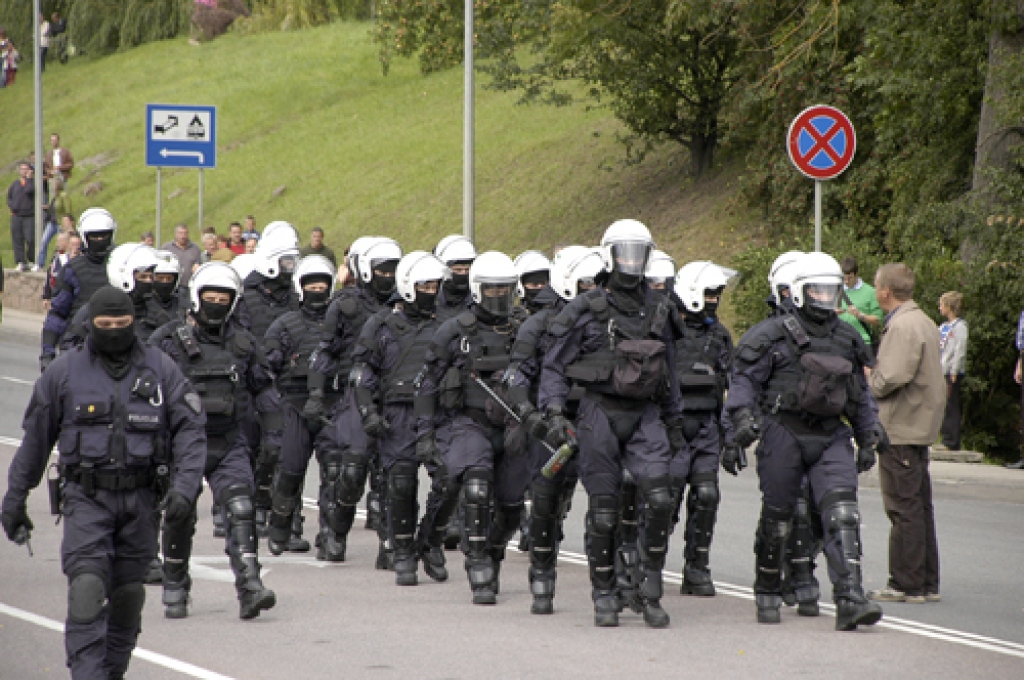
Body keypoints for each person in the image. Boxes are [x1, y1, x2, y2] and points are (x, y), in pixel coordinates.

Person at [1, 285, 207, 680]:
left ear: (133, 322)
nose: (114, 331)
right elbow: (35, 442)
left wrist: (184, 488)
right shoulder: (64, 373)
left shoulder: (161, 368)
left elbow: (191, 431)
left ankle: (111, 672)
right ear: (90, 324)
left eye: (122, 324)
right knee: (86, 591)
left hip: (141, 503)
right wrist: (15, 498)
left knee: (128, 598)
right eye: (105, 324)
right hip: (86, 501)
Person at [724, 251, 884, 630]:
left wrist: (869, 435)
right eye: (816, 291)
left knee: (842, 513)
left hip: (831, 435)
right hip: (783, 431)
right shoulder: (771, 335)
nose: (825, 298)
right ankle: (767, 587)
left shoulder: (847, 337)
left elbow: (860, 392)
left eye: (831, 291)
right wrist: (741, 419)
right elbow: (744, 381)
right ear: (798, 292)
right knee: (780, 518)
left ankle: (850, 598)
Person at [539, 219, 683, 628]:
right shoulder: (585, 308)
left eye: (639, 253)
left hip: (645, 415)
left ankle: (648, 589)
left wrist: (674, 421)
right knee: (604, 512)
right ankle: (604, 592)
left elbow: (669, 370)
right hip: (599, 413)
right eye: (624, 252)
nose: (631, 262)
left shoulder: (659, 307)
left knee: (659, 498)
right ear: (609, 255)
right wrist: (552, 412)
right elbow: (554, 366)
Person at [150, 262, 277, 620]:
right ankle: (175, 587)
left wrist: (274, 437)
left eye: (224, 298)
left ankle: (250, 587)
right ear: (197, 298)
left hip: (228, 442)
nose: (217, 304)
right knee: (178, 513)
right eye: (211, 297)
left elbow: (264, 390)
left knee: (241, 508)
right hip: (182, 447)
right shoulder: (167, 342)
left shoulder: (243, 343)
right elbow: (144, 393)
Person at [415, 251, 528, 605]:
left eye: (506, 290)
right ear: (478, 290)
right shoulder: (454, 330)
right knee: (475, 486)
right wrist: (425, 434)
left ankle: (493, 552)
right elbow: (427, 382)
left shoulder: (524, 329)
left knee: (511, 507)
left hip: (512, 425)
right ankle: (476, 563)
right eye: (493, 290)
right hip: (467, 421)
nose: (500, 297)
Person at [507, 245, 603, 614]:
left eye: (597, 282)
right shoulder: (538, 324)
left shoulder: (608, 322)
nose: (594, 289)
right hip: (552, 425)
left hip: (600, 421)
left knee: (609, 503)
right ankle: (543, 576)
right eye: (586, 283)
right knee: (546, 503)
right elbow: (518, 373)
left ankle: (614, 582)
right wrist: (530, 413)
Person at [349, 251, 451, 585]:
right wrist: (369, 413)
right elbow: (362, 372)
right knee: (401, 483)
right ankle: (403, 550)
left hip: (441, 414)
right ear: (408, 286)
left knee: (452, 480)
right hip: (398, 414)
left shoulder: (448, 325)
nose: (432, 291)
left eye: (436, 285)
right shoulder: (380, 325)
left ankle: (430, 540)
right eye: (425, 285)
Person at [306, 237, 402, 548]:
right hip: (354, 393)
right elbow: (324, 352)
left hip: (396, 396)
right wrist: (317, 394)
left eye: (393, 270)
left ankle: (392, 544)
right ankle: (335, 530)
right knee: (351, 469)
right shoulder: (344, 305)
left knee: (395, 474)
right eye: (382, 270)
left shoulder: (405, 307)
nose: (388, 276)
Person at [867, 263, 944, 605]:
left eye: (875, 286)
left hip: (900, 426)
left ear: (885, 291)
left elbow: (890, 378)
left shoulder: (902, 326)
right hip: (919, 424)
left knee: (902, 507)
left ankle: (906, 582)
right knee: (919, 506)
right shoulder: (924, 320)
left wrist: (869, 375)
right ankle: (926, 580)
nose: (874, 291)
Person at [263, 256, 345, 557]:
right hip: (294, 404)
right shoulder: (284, 325)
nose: (317, 291)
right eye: (311, 286)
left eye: (322, 286)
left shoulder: (342, 324)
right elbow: (267, 367)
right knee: (291, 469)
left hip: (331, 404)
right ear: (301, 287)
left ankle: (330, 534)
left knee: (335, 471)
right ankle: (281, 526)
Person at [668, 261, 733, 597]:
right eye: (709, 294)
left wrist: (733, 434)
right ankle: (647, 565)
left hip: (707, 427)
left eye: (716, 295)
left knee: (707, 495)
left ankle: (696, 568)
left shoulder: (720, 335)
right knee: (666, 500)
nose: (713, 300)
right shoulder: (666, 329)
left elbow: (735, 384)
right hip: (672, 429)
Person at [234, 223, 302, 536]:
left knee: (285, 449)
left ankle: (285, 515)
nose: (290, 269)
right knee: (250, 447)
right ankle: (246, 508)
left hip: (288, 382)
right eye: (286, 262)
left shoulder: (295, 296)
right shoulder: (245, 298)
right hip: (252, 383)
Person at [41, 208, 118, 371]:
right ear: (85, 237)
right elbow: (57, 314)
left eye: (104, 235)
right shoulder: (72, 270)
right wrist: (47, 353)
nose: (100, 239)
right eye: (94, 236)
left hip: (117, 349)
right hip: (79, 349)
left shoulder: (123, 267)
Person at [938, 291, 967, 451]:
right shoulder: (944, 326)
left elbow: (959, 350)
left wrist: (955, 370)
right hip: (942, 369)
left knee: (952, 405)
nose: (939, 308)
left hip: (952, 371)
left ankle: (952, 440)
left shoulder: (960, 327)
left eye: (941, 305)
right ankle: (944, 437)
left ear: (949, 307)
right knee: (944, 404)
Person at [838, 256, 882, 358]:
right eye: (844, 278)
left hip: (863, 343)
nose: (846, 282)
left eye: (850, 278)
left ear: (856, 274)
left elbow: (877, 320)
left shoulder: (870, 292)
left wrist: (860, 315)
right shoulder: (837, 291)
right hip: (841, 342)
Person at [434, 234, 477, 321]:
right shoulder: (430, 300)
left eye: (467, 269)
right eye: (458, 270)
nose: (463, 273)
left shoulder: (479, 301)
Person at [7, 161, 39, 271]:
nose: (23, 171)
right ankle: (20, 261)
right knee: (17, 239)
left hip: (28, 215)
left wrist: (29, 178)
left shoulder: (33, 182)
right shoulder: (15, 183)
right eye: (22, 169)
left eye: (26, 169)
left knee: (30, 239)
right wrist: (12, 206)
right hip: (16, 215)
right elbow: (9, 197)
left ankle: (31, 259)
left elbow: (29, 191)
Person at [36, 175, 72, 271]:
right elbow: (54, 207)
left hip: (60, 224)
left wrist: (66, 224)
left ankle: (60, 265)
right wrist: (47, 207)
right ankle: (40, 264)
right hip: (52, 222)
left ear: (57, 185)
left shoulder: (64, 195)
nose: (51, 186)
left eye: (52, 184)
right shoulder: (54, 196)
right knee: (44, 241)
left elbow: (68, 211)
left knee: (61, 245)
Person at [42, 232, 71, 308]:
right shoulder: (55, 257)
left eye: (60, 241)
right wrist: (46, 296)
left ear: (67, 242)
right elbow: (49, 275)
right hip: (56, 295)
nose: (57, 244)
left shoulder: (72, 257)